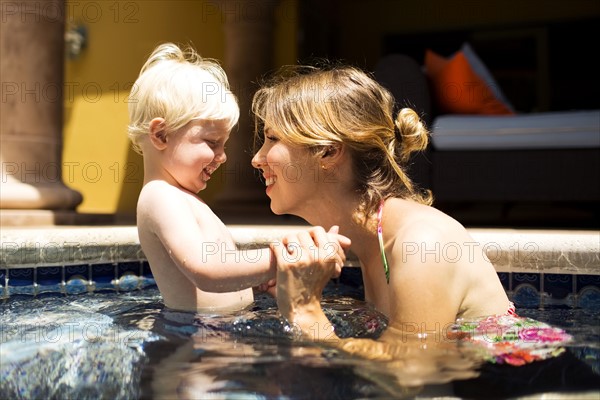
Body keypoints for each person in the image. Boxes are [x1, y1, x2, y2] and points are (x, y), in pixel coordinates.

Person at [250, 65, 573, 372]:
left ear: (329, 152)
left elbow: (408, 374)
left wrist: (306, 310)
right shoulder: (370, 238)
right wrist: (294, 296)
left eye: (273, 138)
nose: (257, 159)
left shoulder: (421, 242)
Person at [128, 44, 349, 313]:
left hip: (217, 332)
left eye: (224, 145)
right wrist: (285, 256)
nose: (222, 157)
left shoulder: (183, 199)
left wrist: (255, 284)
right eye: (211, 142)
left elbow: (222, 270)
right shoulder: (159, 196)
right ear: (161, 135)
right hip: (197, 343)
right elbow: (207, 270)